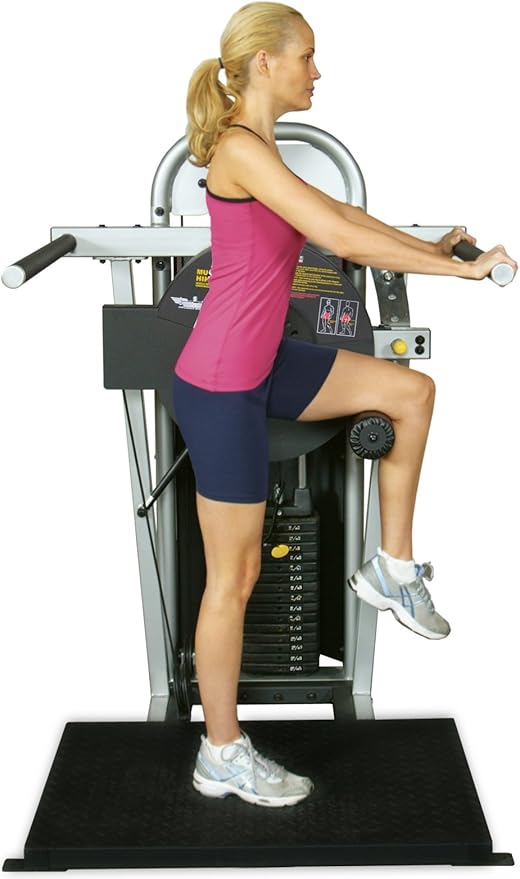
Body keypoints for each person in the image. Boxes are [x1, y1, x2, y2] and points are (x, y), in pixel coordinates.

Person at [172, 1, 517, 808]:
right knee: (236, 576)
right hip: (222, 384)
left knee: (411, 391)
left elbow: (347, 218)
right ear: (266, 62)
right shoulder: (239, 149)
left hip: (265, 363)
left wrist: (432, 246)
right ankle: (220, 750)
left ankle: (392, 567)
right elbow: (344, 241)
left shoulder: (263, 147)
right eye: (308, 56)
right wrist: (463, 273)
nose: (317, 71)